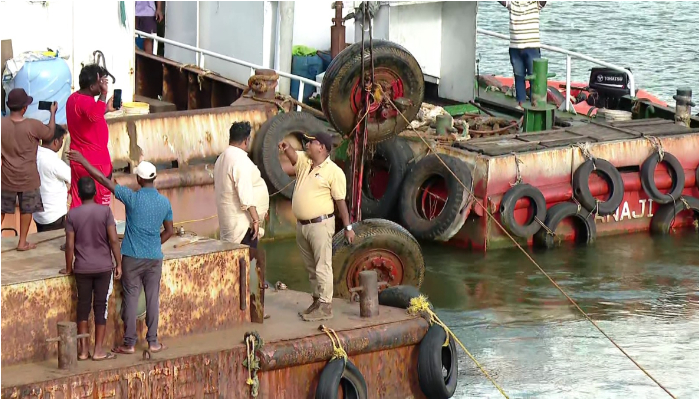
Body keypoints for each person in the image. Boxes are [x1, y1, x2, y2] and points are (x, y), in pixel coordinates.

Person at [67, 150, 174, 355]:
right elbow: (170, 231)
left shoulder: (131, 198)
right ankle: (153, 342)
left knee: (131, 298)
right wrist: (154, 243)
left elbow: (102, 179)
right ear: (154, 178)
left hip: (132, 257)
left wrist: (84, 161)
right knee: (152, 298)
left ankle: (130, 343)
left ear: (139, 179)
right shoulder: (164, 203)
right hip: (154, 258)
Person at [279, 131, 355, 322]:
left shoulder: (334, 172)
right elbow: (295, 157)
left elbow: (340, 202)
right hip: (303, 225)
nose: (307, 144)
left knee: (323, 265)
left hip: (320, 224)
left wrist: (348, 228)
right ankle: (316, 301)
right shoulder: (305, 160)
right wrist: (287, 149)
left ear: (321, 147)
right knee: (311, 267)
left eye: (311, 142)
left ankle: (326, 305)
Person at [61, 177, 122, 361]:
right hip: (103, 267)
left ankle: (82, 351)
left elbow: (70, 245)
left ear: (78, 194)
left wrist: (68, 268)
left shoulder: (72, 215)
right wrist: (118, 263)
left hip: (82, 268)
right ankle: (98, 351)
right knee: (100, 306)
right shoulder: (105, 212)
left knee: (83, 307)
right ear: (95, 193)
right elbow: (113, 240)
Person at [1, 88, 57, 250]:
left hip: (6, 176)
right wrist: (52, 113)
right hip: (28, 177)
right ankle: (22, 241)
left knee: (2, 209)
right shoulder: (33, 125)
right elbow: (50, 134)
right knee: (27, 208)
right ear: (24, 108)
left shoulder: (1, 124)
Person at [65, 64, 116, 210]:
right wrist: (104, 94)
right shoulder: (87, 101)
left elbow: (87, 119)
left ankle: (76, 229)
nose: (103, 86)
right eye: (101, 83)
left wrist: (105, 108)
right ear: (93, 85)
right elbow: (93, 116)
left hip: (77, 159)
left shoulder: (73, 99)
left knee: (77, 199)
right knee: (100, 204)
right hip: (95, 162)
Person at [214, 121, 270, 248]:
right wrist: (256, 219)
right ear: (246, 140)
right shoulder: (239, 159)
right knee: (245, 265)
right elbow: (245, 195)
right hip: (242, 229)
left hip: (229, 226)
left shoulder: (221, 159)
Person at [499, 1, 547, 108]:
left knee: (534, 77)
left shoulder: (536, 3)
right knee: (519, 76)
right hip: (515, 48)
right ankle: (521, 104)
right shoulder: (512, 3)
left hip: (531, 47)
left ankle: (535, 104)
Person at [34, 125, 71, 232]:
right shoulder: (53, 162)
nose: (62, 144)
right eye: (61, 141)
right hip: (54, 215)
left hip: (38, 215)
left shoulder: (34, 155)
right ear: (56, 141)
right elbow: (73, 177)